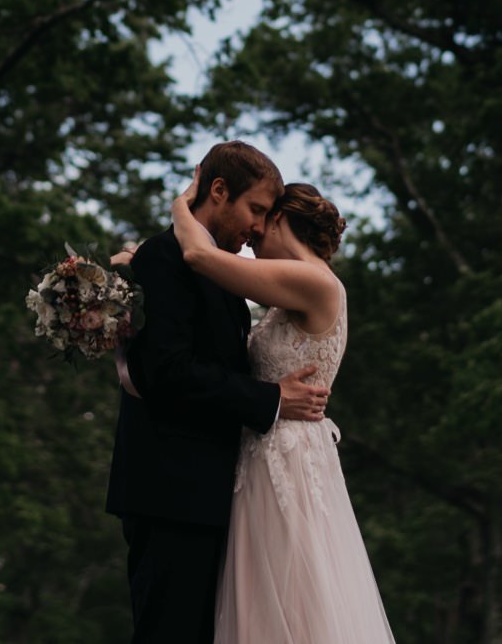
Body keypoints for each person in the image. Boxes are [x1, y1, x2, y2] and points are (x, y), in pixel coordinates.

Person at [105, 141, 331, 644]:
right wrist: (270, 399)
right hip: (172, 493)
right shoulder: (165, 257)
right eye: (255, 210)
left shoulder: (220, 270)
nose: (257, 227)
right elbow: (168, 371)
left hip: (214, 495)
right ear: (219, 190)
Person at [167, 176, 399, 644]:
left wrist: (181, 203)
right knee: (263, 597)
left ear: (280, 218)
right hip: (263, 451)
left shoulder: (314, 280)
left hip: (287, 461)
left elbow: (199, 256)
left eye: (259, 223)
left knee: (290, 596)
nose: (250, 236)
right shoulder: (287, 296)